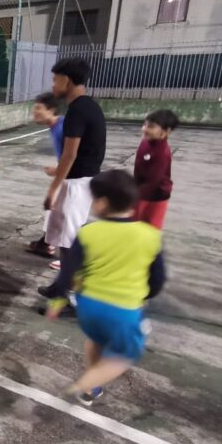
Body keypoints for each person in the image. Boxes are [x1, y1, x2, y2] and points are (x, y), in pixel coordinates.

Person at [42, 169, 165, 407]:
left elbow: (68, 273)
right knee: (127, 354)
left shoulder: (88, 232)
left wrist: (57, 302)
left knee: (95, 339)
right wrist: (143, 298)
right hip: (123, 310)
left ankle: (92, 389)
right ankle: (86, 384)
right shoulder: (150, 236)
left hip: (88, 308)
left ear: (103, 203)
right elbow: (157, 281)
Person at [38, 58, 107, 314]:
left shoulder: (78, 110)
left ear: (66, 80)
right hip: (79, 181)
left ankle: (73, 299)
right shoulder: (89, 106)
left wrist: (52, 189)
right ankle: (61, 285)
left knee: (69, 243)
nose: (53, 85)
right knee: (63, 239)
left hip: (77, 184)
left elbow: (69, 155)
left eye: (55, 79)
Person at [27, 92, 64, 263]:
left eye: (38, 108)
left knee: (64, 213)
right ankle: (47, 242)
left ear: (51, 110)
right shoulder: (55, 126)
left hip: (75, 176)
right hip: (66, 172)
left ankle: (68, 258)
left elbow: (73, 157)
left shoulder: (63, 127)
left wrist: (57, 172)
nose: (34, 112)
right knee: (53, 211)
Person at [134, 109, 179, 229]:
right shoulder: (145, 142)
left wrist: (135, 196)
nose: (144, 129)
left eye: (151, 127)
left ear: (166, 131)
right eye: (145, 125)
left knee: (151, 227)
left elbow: (154, 181)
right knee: (135, 224)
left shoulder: (162, 153)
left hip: (157, 195)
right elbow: (138, 168)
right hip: (141, 190)